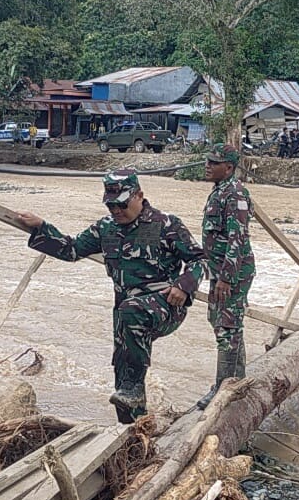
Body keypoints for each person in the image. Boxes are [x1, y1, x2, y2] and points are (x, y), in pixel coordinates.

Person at [13, 169, 206, 423]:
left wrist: (184, 285)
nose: (116, 210)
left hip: (166, 305)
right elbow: (71, 250)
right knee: (122, 371)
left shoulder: (166, 225)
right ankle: (134, 431)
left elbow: (200, 259)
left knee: (132, 317)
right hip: (126, 313)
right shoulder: (105, 228)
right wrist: (40, 227)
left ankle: (134, 391)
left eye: (121, 204)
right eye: (110, 205)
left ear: (139, 196)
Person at [198, 145, 254, 409]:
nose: (208, 165)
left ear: (229, 168)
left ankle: (224, 389)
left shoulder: (235, 194)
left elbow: (237, 239)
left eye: (214, 162)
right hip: (219, 271)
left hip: (233, 273)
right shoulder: (220, 191)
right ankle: (236, 381)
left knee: (227, 328)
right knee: (220, 321)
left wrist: (227, 279)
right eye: (208, 161)